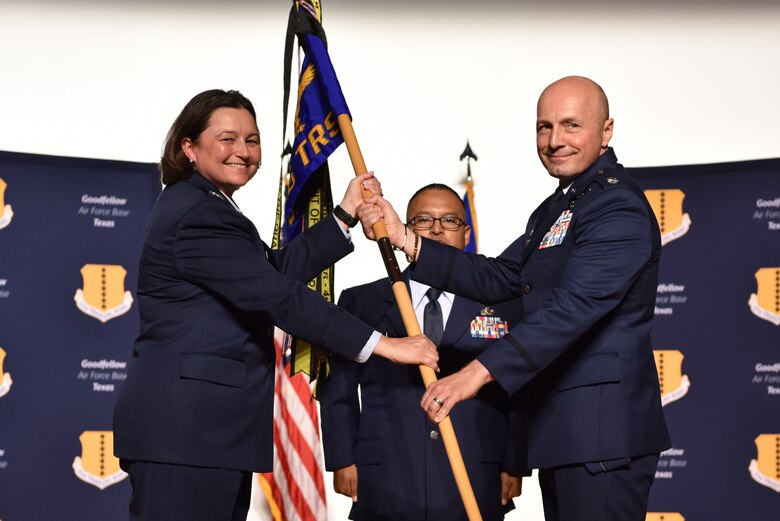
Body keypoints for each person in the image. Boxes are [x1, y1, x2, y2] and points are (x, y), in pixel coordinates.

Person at [112, 89, 438, 521]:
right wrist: (386, 345)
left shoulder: (210, 205)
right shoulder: (197, 212)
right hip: (186, 433)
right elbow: (277, 295)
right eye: (227, 138)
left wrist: (344, 213)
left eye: (252, 140)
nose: (242, 152)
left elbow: (272, 271)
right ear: (188, 147)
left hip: (208, 434)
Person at [364, 76, 671, 521]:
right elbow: (502, 276)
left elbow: (574, 309)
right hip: (566, 431)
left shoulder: (616, 206)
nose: (554, 140)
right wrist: (405, 239)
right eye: (544, 127)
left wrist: (476, 373)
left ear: (606, 131)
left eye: (570, 125)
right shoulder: (557, 207)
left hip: (602, 436)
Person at [319, 184, 527, 521]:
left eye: (449, 221)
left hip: (476, 468)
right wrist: (342, 458)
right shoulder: (361, 301)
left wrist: (514, 463)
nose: (436, 229)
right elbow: (338, 388)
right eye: (423, 220)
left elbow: (519, 389)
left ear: (466, 232)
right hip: (385, 473)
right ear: (403, 227)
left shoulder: (505, 306)